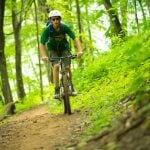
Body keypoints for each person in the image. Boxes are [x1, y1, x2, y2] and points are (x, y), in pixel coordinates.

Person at [40, 10, 83, 99]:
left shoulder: (64, 27)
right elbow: (41, 43)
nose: (56, 21)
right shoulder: (47, 29)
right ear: (51, 20)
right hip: (53, 49)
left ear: (60, 19)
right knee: (56, 66)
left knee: (67, 67)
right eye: (53, 19)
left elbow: (75, 38)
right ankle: (56, 89)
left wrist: (80, 51)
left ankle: (71, 85)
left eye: (57, 19)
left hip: (64, 48)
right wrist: (44, 55)